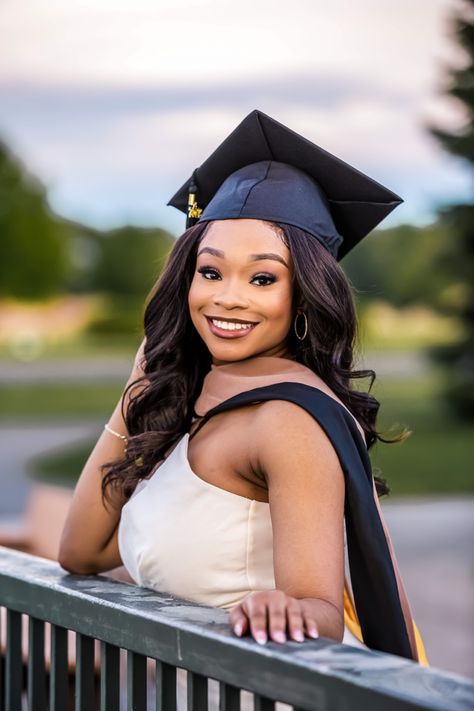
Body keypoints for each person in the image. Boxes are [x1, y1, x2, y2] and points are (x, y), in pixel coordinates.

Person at [58, 110, 428, 701]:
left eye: (263, 279)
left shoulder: (289, 419)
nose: (227, 298)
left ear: (304, 294)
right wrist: (137, 389)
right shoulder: (204, 397)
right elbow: (80, 551)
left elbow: (320, 613)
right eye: (210, 271)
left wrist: (286, 606)